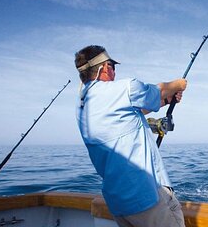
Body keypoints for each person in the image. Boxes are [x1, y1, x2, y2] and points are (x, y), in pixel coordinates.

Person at [74, 45, 187, 227]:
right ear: (106, 67)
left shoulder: (82, 107)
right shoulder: (126, 87)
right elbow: (158, 89)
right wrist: (178, 85)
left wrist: (165, 101)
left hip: (119, 204)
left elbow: (134, 110)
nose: (114, 72)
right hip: (146, 198)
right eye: (113, 66)